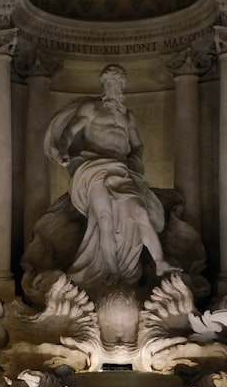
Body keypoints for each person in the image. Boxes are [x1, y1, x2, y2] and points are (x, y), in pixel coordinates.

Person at [43, 64, 176, 287]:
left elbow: (138, 145)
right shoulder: (91, 108)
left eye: (116, 83)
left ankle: (160, 261)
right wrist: (64, 150)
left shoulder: (128, 117)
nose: (112, 88)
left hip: (121, 170)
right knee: (104, 219)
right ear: (102, 86)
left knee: (140, 211)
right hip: (94, 168)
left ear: (123, 87)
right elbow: (68, 133)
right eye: (108, 83)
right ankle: (112, 272)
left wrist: (135, 161)